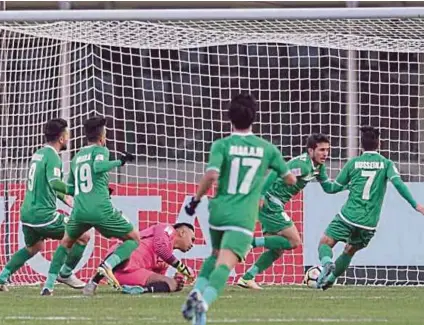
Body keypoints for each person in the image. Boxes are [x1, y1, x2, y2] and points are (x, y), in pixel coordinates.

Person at [181, 93, 297, 325]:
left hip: (218, 212)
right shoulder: (267, 148)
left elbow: (212, 175)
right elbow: (290, 179)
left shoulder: (221, 145)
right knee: (225, 264)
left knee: (214, 256)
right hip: (243, 216)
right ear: (254, 117)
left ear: (229, 118)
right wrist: (278, 172)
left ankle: (196, 293)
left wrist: (195, 200)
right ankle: (204, 302)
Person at [316, 126, 424, 290]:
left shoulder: (353, 163)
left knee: (325, 242)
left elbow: (332, 189)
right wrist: (416, 205)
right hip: (369, 223)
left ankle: (327, 263)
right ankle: (330, 279)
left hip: (348, 216)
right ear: (378, 143)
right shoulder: (386, 164)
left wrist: (320, 172)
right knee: (349, 250)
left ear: (361, 145)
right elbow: (398, 184)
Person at [41, 116, 138, 295]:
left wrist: (91, 191)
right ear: (102, 136)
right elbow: (99, 166)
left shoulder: (77, 157)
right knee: (133, 239)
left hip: (80, 211)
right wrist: (120, 161)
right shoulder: (101, 150)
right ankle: (107, 266)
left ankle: (49, 284)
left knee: (67, 242)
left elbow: (71, 187)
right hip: (101, 210)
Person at [0, 118, 89, 291]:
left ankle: (0, 279)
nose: (69, 137)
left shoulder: (39, 154)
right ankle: (62, 276)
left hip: (27, 214)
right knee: (83, 235)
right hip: (43, 216)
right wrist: (76, 191)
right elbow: (54, 182)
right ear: (61, 137)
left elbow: (46, 184)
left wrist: (64, 198)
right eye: (67, 134)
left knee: (34, 246)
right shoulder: (53, 158)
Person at [238, 133, 345, 289]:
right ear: (310, 150)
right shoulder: (302, 166)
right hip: (270, 201)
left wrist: (348, 184)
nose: (325, 154)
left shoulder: (318, 167)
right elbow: (277, 171)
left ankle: (248, 277)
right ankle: (249, 243)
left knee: (277, 250)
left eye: (327, 150)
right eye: (321, 150)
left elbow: (329, 188)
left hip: (276, 203)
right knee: (294, 242)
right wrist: (261, 195)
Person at [83, 222, 196, 295]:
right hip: (123, 258)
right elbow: (160, 248)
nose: (192, 244)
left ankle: (139, 291)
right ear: (182, 232)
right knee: (127, 252)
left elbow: (156, 278)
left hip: (127, 275)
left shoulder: (165, 261)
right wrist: (183, 269)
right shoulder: (167, 229)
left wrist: (178, 281)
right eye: (192, 239)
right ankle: (95, 280)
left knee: (171, 283)